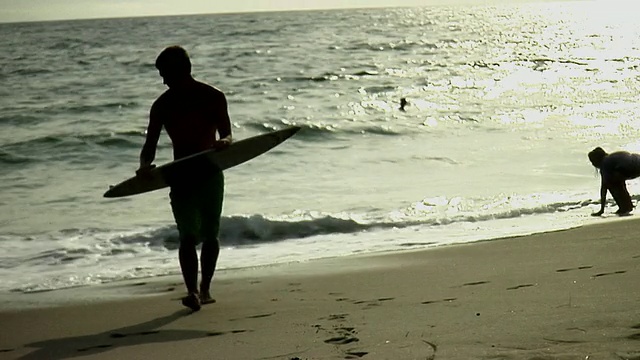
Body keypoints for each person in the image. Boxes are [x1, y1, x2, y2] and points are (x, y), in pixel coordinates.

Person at [137, 46, 232, 311]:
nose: (162, 80)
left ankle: (205, 289)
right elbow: (150, 144)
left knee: (210, 234)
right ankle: (192, 291)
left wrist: (224, 142)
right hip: (181, 175)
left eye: (164, 73)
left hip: (210, 172)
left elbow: (226, 133)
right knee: (187, 235)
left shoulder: (213, 96)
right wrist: (145, 166)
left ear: (177, 71)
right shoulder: (162, 105)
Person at [588, 146, 640, 216]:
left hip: (632, 167)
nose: (593, 164)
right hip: (636, 161)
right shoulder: (612, 158)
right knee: (617, 180)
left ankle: (624, 207)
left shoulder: (605, 163)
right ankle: (627, 206)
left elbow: (604, 188)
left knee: (610, 183)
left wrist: (601, 210)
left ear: (597, 159)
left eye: (592, 161)